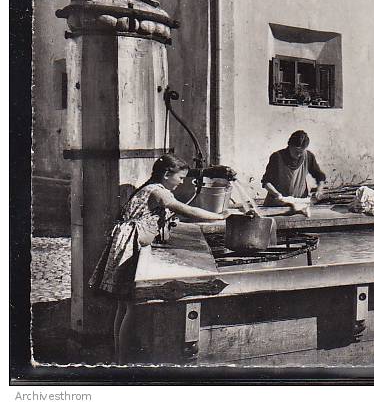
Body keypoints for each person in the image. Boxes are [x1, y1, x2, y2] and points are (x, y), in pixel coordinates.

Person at [88, 154, 231, 363]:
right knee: (131, 306)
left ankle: (119, 357)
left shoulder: (150, 187)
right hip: (131, 248)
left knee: (123, 305)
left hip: (126, 245)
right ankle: (124, 361)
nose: (182, 182)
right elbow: (188, 210)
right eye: (180, 177)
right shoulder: (158, 192)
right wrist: (220, 216)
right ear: (166, 175)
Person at [262, 130, 327, 209]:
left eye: (301, 152)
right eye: (296, 151)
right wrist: (277, 194)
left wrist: (319, 191)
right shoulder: (277, 157)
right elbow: (266, 182)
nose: (299, 155)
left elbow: (320, 176)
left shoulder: (308, 156)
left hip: (299, 204)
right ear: (290, 145)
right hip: (277, 205)